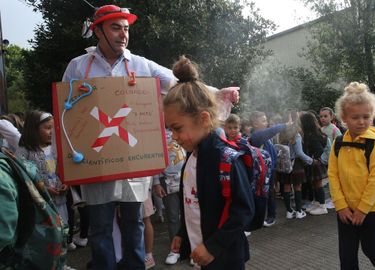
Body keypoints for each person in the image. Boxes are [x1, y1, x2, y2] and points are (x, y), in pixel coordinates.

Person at [61, 5, 239, 269]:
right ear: (97, 30)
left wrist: (217, 92)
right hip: (95, 163)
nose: (123, 34)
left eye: (126, 28)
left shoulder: (141, 64)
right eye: (115, 27)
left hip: (133, 163)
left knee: (134, 223)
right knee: (100, 227)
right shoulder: (78, 67)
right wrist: (63, 163)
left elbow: (179, 84)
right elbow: (66, 112)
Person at [165, 56, 254, 269]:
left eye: (177, 128)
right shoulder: (192, 156)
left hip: (226, 258)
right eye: (170, 130)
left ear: (204, 119)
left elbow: (243, 211)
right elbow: (193, 204)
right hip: (204, 255)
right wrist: (182, 234)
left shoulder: (226, 158)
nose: (174, 136)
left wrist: (213, 247)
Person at [328, 82, 375, 270]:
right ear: (344, 118)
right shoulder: (338, 143)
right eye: (355, 117)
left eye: (366, 117)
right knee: (347, 256)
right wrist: (340, 205)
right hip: (345, 211)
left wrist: (362, 209)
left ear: (373, 116)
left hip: (371, 210)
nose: (361, 121)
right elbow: (333, 175)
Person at [15, 110, 76, 270]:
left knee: (61, 232)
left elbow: (64, 169)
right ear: (34, 128)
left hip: (60, 202)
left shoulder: (57, 148)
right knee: (44, 236)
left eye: (52, 128)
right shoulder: (24, 150)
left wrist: (66, 182)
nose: (51, 132)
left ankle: (62, 264)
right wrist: (44, 188)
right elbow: (22, 176)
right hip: (39, 205)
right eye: (47, 128)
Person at [248, 111, 289, 227]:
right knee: (262, 194)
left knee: (270, 193)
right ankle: (262, 217)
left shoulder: (265, 137)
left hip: (270, 170)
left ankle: (271, 216)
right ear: (255, 124)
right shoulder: (256, 136)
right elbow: (272, 130)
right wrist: (285, 125)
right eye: (264, 120)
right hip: (261, 172)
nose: (267, 123)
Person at [152, 128, 185, 266]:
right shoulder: (155, 132)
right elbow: (153, 158)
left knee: (190, 215)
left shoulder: (182, 126)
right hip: (167, 182)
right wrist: (156, 182)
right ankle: (175, 250)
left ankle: (191, 247)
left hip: (186, 180)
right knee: (172, 217)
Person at [277, 110, 312, 220]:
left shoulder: (281, 134)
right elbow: (299, 153)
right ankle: (299, 211)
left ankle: (289, 211)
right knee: (297, 187)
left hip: (285, 164)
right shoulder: (296, 135)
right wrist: (310, 160)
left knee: (287, 187)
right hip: (296, 164)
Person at [299, 112, 331, 215]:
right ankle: (317, 203)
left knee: (318, 184)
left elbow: (319, 150)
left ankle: (322, 206)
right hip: (316, 163)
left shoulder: (312, 135)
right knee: (315, 184)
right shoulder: (315, 132)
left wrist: (314, 159)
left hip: (316, 164)